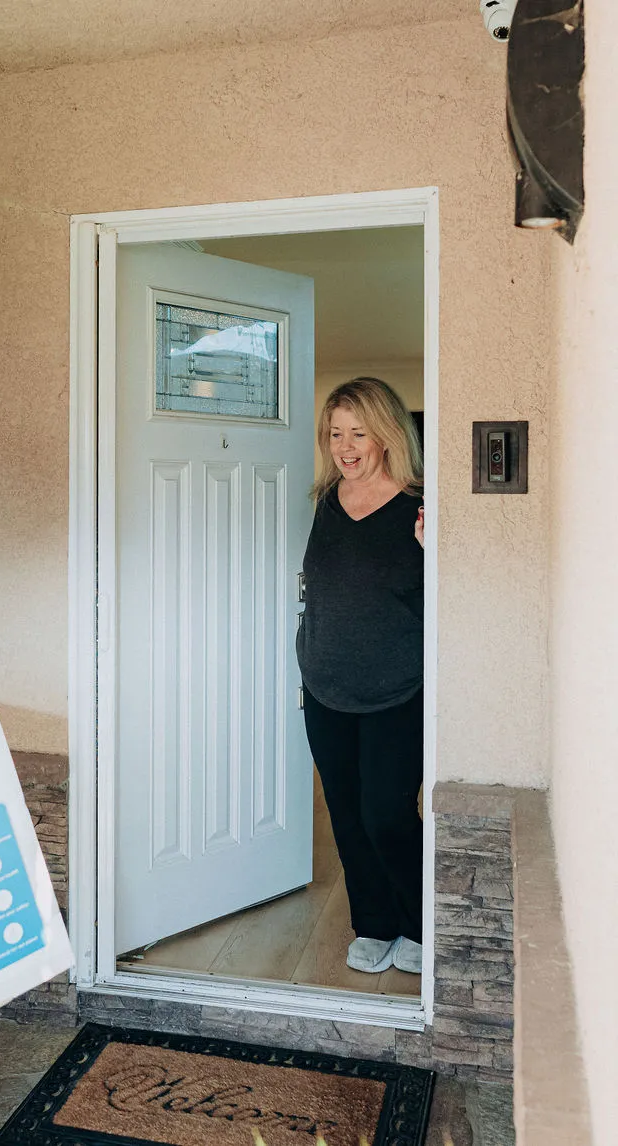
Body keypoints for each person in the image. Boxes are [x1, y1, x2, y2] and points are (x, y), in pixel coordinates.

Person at [295, 376, 425, 977]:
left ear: (388, 434)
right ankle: (374, 924)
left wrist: (439, 554)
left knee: (387, 814)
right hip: (325, 689)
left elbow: (443, 607)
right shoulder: (327, 502)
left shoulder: (419, 509)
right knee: (346, 814)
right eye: (335, 432)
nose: (345, 446)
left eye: (359, 432)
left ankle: (421, 922)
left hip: (397, 691)